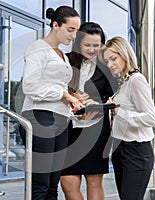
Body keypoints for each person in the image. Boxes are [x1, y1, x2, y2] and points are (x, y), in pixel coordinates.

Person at [21, 6, 82, 200]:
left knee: (53, 184)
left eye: (76, 31)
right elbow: (30, 87)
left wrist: (74, 99)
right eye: (70, 30)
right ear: (55, 25)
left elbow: (59, 87)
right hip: (40, 117)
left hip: (62, 120)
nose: (73, 36)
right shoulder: (38, 48)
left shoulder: (62, 55)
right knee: (40, 184)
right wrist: (64, 95)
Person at [60, 22, 118, 200]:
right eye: (87, 45)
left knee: (93, 181)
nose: (92, 49)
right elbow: (52, 86)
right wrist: (71, 95)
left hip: (96, 129)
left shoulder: (106, 67)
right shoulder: (65, 60)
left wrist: (95, 104)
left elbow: (114, 99)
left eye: (97, 45)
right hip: (67, 128)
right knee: (67, 181)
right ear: (78, 43)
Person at [98, 36, 155, 200]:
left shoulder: (137, 81)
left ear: (124, 54)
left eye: (113, 58)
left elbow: (152, 118)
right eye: (107, 61)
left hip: (136, 152)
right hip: (120, 149)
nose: (110, 65)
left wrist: (120, 112)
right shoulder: (124, 81)